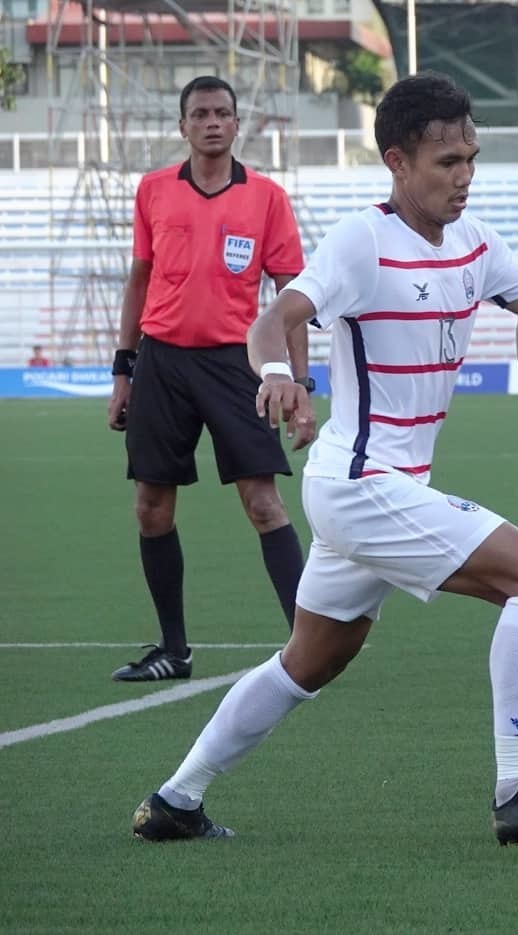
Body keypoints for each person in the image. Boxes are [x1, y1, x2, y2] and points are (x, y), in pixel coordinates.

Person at [129, 74, 518, 846]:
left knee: (308, 662)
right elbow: (276, 315)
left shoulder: (476, 242)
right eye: (446, 160)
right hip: (358, 485)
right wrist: (278, 372)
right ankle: (517, 786)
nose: (463, 175)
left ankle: (178, 797)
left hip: (381, 492)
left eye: (470, 158)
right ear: (397, 161)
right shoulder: (362, 239)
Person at [107, 76, 309, 683]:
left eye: (223, 113)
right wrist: (124, 368)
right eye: (201, 114)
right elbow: (139, 279)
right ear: (184, 126)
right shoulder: (153, 191)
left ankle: (310, 647)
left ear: (237, 124)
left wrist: (300, 381)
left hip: (235, 363)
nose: (213, 122)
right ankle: (174, 650)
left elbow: (291, 294)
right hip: (162, 362)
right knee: (151, 508)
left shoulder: (267, 197)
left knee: (264, 504)